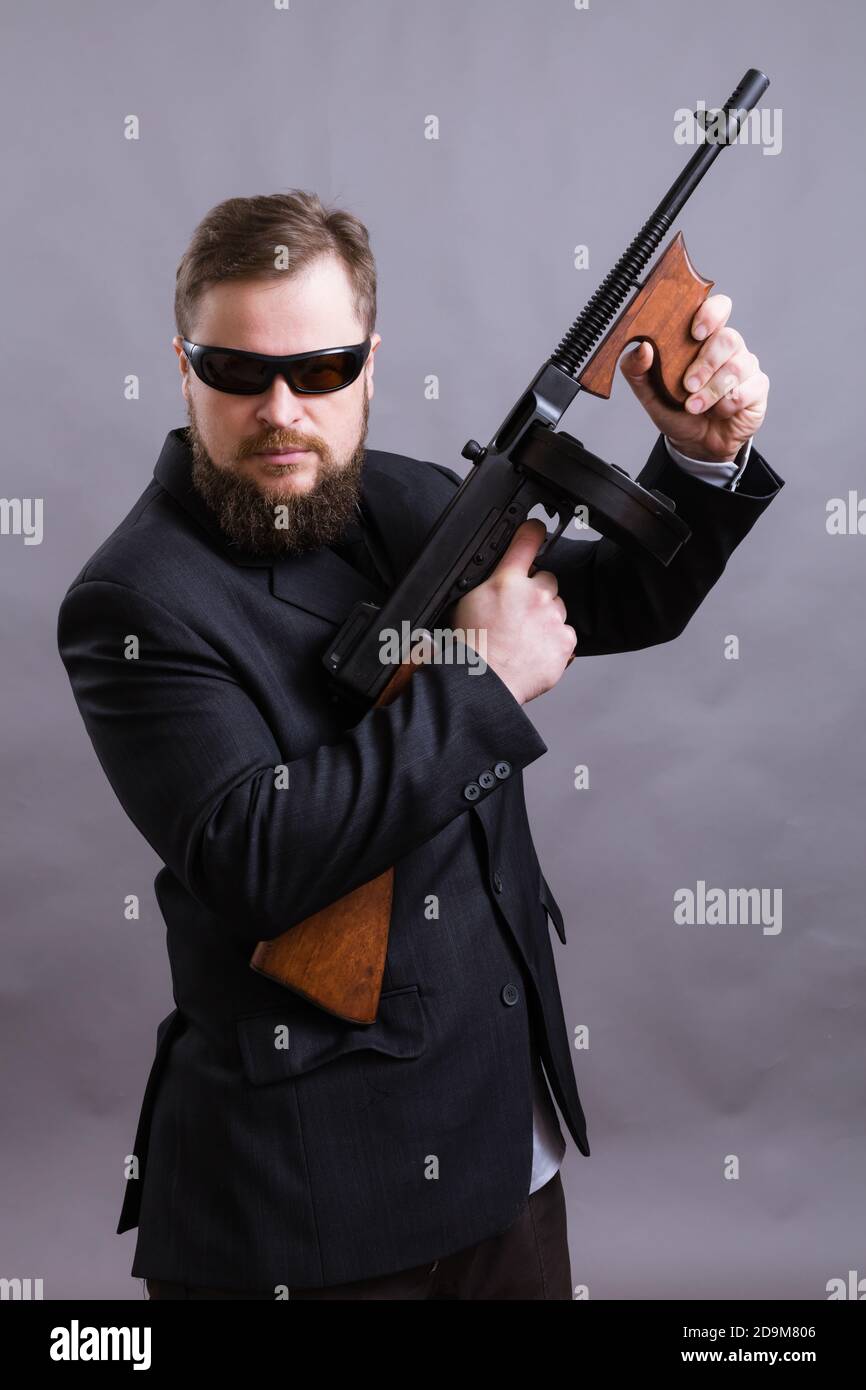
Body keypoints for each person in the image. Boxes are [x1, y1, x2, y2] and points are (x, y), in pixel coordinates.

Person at [57, 190, 781, 1300]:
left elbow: (626, 599)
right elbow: (258, 860)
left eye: (323, 370)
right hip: (305, 1208)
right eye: (240, 372)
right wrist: (476, 679)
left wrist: (699, 460)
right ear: (184, 366)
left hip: (507, 1151)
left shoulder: (410, 499)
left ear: (372, 364)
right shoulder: (132, 597)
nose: (282, 409)